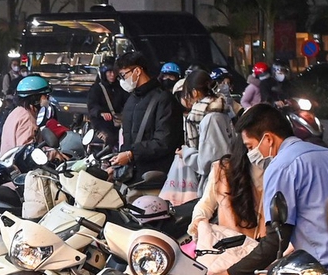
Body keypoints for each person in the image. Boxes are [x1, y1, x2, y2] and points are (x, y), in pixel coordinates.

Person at [205, 104, 328, 275]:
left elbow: (276, 241)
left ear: (268, 138)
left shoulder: (281, 166)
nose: (250, 155)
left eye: (250, 147)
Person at [190, 122, 267, 275]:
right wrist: (202, 226)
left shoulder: (280, 172)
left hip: (264, 257)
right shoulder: (223, 170)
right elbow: (205, 205)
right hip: (228, 254)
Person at [107, 50, 182, 185]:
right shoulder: (131, 100)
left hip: (155, 177)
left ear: (138, 71)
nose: (122, 81)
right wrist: (118, 165)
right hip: (131, 177)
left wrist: (131, 154)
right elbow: (128, 138)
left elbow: (164, 142)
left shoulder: (164, 99)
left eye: (123, 75)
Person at [166, 69, 233, 206]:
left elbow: (209, 163)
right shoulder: (223, 111)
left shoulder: (211, 119)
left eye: (186, 94)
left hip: (216, 189)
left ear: (195, 93)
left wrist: (186, 153)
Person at [1, 75, 48, 158]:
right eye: (45, 96)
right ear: (35, 98)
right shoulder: (27, 118)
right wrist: (53, 154)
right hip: (18, 169)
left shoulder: (17, 111)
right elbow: (27, 152)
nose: (48, 99)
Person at [85, 61, 128, 151]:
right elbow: (92, 106)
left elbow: (127, 102)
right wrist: (101, 113)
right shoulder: (96, 88)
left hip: (118, 122)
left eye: (114, 72)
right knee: (109, 138)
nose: (112, 75)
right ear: (104, 73)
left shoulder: (120, 88)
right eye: (109, 72)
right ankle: (105, 160)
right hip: (100, 123)